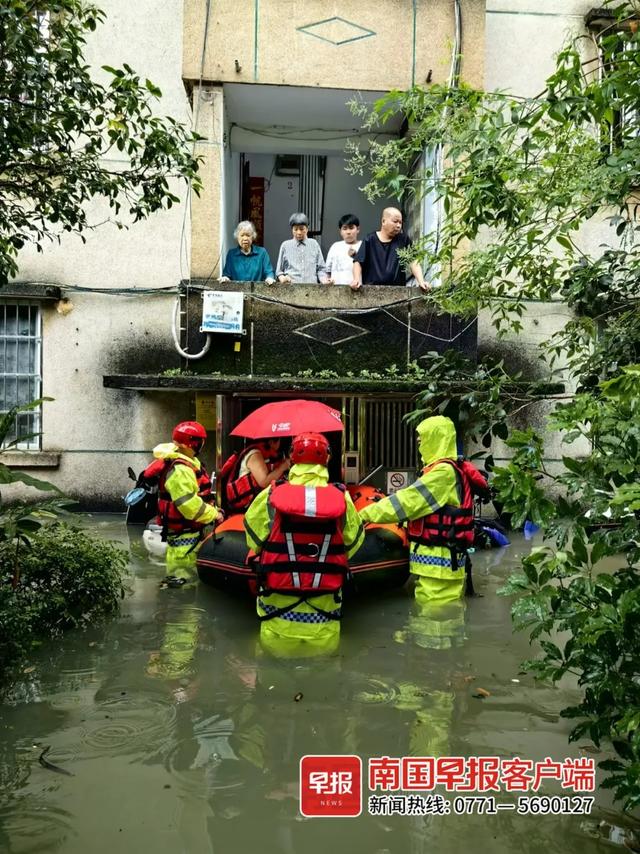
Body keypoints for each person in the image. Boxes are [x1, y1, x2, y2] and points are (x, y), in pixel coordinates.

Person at [244, 432, 364, 652]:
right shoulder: (342, 498)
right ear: (327, 459)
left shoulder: (271, 496)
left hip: (277, 620)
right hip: (324, 622)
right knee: (324, 680)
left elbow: (253, 540)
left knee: (273, 679)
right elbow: (352, 544)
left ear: (292, 457)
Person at [358, 416, 489, 605]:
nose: (419, 446)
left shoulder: (442, 474)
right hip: (437, 568)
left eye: (422, 441)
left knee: (436, 626)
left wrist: (363, 514)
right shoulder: (444, 471)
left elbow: (407, 502)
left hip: (440, 568)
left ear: (436, 439)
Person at [147, 421, 224, 586]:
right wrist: (215, 514)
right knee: (181, 584)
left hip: (189, 534)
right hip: (183, 539)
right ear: (193, 443)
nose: (202, 444)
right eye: (201, 441)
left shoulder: (187, 463)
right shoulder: (180, 470)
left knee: (185, 580)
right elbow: (189, 506)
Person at [351, 207, 430, 291]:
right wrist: (356, 280)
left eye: (400, 222)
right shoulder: (370, 239)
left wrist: (421, 281)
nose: (398, 225)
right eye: (395, 221)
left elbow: (413, 262)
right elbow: (358, 262)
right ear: (383, 221)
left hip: (398, 291)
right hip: (371, 291)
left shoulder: (403, 240)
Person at [220, 438, 290, 513]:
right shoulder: (254, 454)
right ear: (271, 442)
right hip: (245, 508)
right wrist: (282, 467)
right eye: (279, 440)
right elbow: (264, 482)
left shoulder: (266, 455)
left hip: (253, 506)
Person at [275, 213, 329, 284]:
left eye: (301, 229)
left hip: (311, 289)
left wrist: (324, 280)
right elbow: (279, 271)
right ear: (292, 229)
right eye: (295, 229)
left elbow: (321, 268)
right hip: (291, 289)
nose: (299, 232)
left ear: (307, 228)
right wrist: (282, 278)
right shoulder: (285, 245)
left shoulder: (314, 244)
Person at [324, 213, 362, 285]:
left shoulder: (363, 245)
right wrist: (327, 281)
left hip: (357, 290)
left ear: (358, 229)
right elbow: (327, 271)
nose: (348, 232)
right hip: (336, 290)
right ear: (340, 231)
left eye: (351, 228)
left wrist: (355, 255)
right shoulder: (335, 247)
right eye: (344, 228)